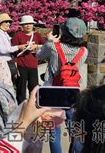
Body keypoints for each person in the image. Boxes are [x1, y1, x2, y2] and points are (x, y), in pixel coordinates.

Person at [36, 17, 88, 153]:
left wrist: (49, 40)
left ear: (63, 31)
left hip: (52, 93)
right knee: (75, 132)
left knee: (54, 132)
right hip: (73, 93)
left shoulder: (52, 47)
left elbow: (38, 56)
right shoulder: (84, 51)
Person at [11, 15, 45, 104]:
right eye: (26, 24)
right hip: (21, 65)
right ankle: (20, 109)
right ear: (22, 26)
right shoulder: (18, 35)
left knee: (34, 89)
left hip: (33, 65)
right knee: (21, 89)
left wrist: (36, 46)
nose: (28, 26)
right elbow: (12, 51)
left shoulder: (37, 35)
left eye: (30, 24)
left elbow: (46, 46)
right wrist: (15, 65)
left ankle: (33, 107)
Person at [0, 13, 28, 81]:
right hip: (2, 62)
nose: (9, 23)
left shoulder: (4, 33)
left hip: (8, 60)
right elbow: (2, 50)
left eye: (9, 22)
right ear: (0, 23)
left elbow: (11, 44)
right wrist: (18, 47)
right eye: (6, 22)